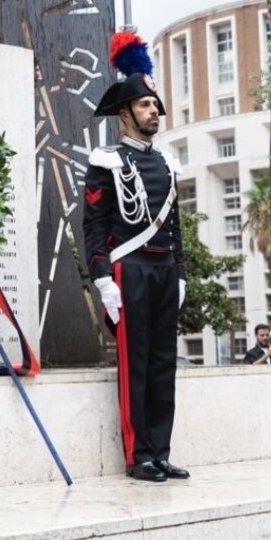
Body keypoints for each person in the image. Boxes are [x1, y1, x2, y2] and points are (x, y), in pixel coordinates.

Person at [83, 30, 189, 482]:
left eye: (155, 105)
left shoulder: (167, 163)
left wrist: (180, 273)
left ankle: (160, 452)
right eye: (145, 106)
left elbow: (176, 228)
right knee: (136, 365)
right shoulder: (105, 161)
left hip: (163, 270)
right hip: (129, 270)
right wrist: (102, 278)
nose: (154, 111)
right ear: (124, 114)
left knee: (164, 365)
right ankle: (138, 455)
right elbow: (94, 226)